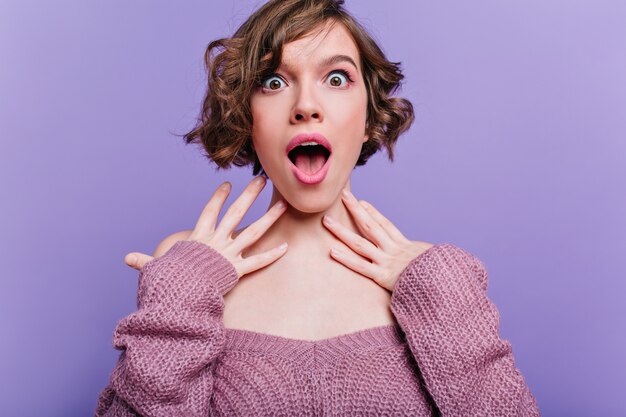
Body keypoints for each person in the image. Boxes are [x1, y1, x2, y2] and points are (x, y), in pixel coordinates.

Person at [95, 0, 541, 415]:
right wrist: (181, 289)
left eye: (336, 79)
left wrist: (441, 290)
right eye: (273, 82)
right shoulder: (191, 268)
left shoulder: (431, 279)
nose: (306, 106)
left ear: (368, 117)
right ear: (246, 118)